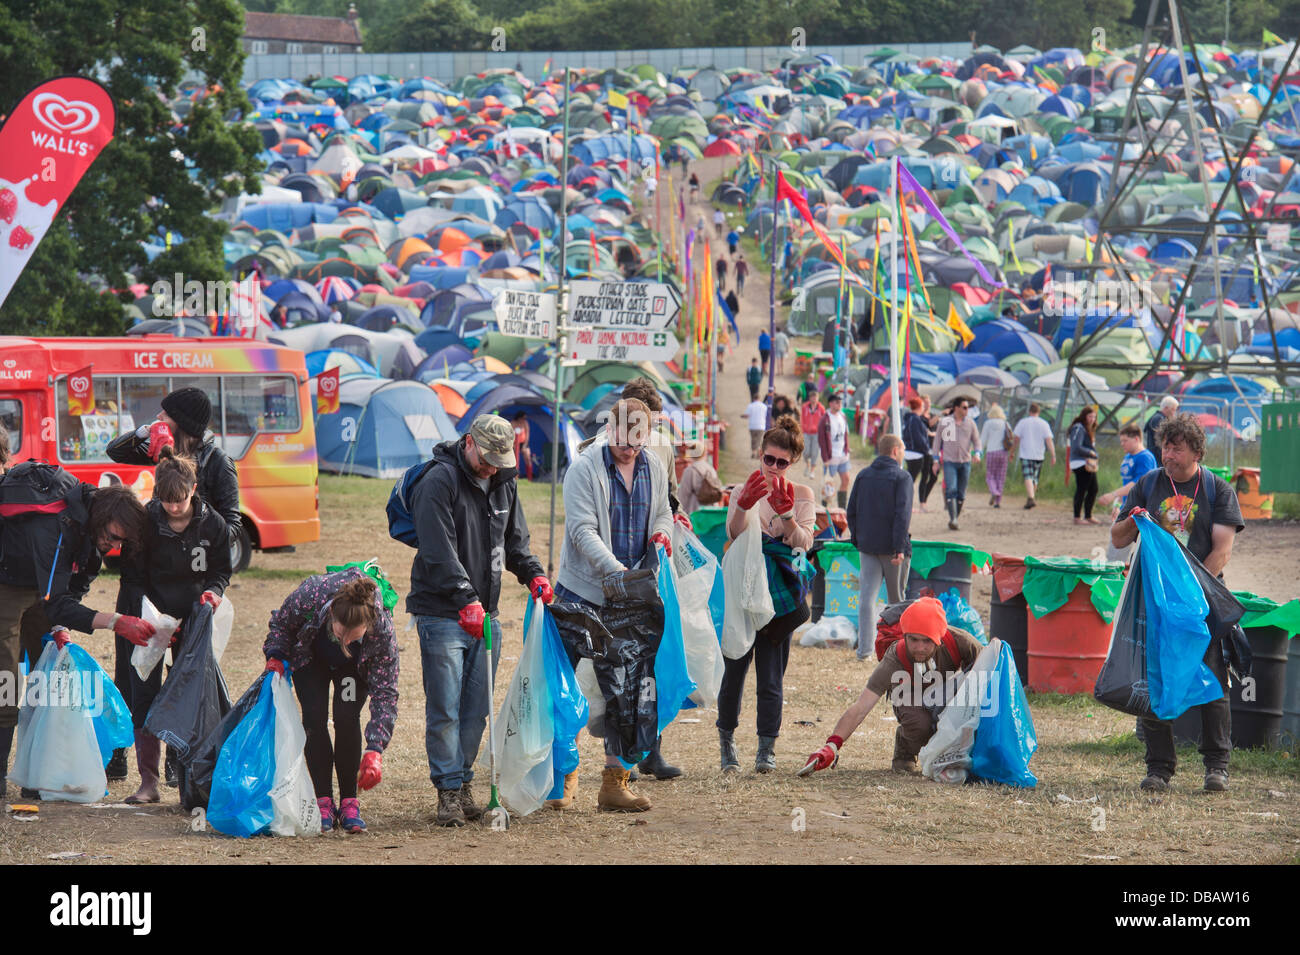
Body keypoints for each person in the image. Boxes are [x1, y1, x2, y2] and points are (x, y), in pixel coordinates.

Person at [407, 414, 551, 827]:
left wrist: (534, 573)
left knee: (475, 710)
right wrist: (464, 597)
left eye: (499, 459)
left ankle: (464, 781)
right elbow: (437, 550)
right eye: (486, 457)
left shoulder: (504, 478)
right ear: (468, 442)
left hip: (486, 615)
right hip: (442, 614)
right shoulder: (439, 481)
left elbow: (514, 540)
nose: (491, 466)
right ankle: (448, 791)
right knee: (446, 709)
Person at [1111, 413, 1244, 793]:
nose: (1168, 453)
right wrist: (1135, 520)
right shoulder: (1148, 484)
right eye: (1165, 446)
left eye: (1177, 447)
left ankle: (1217, 766)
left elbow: (1222, 551)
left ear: (1196, 451)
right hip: (1154, 601)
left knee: (1214, 684)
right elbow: (1118, 538)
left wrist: (1193, 592)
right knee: (1155, 681)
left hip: (1202, 602)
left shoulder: (1217, 490)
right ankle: (1159, 769)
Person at [0, 466, 151, 798]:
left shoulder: (93, 529)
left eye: (120, 541)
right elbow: (55, 602)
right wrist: (116, 622)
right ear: (103, 516)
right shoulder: (55, 526)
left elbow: (73, 588)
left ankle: (36, 774)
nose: (113, 544)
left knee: (50, 676)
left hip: (43, 589)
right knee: (7, 678)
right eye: (113, 536)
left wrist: (60, 627)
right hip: (6, 582)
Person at [556, 398, 674, 811]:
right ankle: (561, 782)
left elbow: (663, 512)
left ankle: (613, 783)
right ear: (611, 429)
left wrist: (661, 535)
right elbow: (582, 531)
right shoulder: (585, 468)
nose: (631, 449)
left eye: (640, 442)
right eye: (626, 440)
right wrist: (617, 571)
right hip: (582, 592)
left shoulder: (653, 466)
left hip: (632, 595)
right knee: (568, 687)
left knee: (623, 691)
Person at [116, 449, 232, 804]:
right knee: (144, 693)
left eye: (180, 501)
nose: (174, 508)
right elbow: (131, 578)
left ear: (193, 489)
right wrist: (151, 620)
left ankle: (185, 778)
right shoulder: (144, 523)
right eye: (167, 502)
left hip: (195, 620)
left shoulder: (214, 525)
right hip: (151, 620)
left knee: (189, 696)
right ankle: (147, 781)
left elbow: (221, 572)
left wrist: (213, 593)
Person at [264, 569, 399, 832]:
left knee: (346, 718)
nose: (346, 642)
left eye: (354, 637)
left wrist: (376, 748)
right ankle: (323, 801)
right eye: (340, 635)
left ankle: (350, 803)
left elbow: (385, 690)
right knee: (314, 717)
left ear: (369, 626)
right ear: (331, 615)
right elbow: (281, 623)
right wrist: (276, 653)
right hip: (312, 659)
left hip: (352, 670)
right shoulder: (311, 594)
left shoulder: (382, 630)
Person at [718, 416, 816, 773]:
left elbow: (805, 543)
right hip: (744, 586)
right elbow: (734, 532)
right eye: (769, 459)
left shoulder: (802, 494)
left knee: (771, 674)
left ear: (793, 463)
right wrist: (744, 504)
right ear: (760, 455)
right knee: (734, 670)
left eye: (782, 462)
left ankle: (766, 749)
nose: (774, 467)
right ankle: (727, 744)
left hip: (779, 593)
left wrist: (788, 515)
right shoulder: (746, 489)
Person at [798, 596, 984, 777]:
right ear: (905, 636)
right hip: (911, 696)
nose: (919, 648)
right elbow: (861, 707)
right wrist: (831, 745)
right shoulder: (896, 656)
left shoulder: (959, 641)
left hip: (948, 693)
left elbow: (990, 669)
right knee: (919, 726)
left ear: (939, 638)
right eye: (913, 639)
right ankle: (905, 747)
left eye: (927, 641)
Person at [846, 435, 912, 662]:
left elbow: (851, 510)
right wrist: (899, 547)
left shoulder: (863, 475)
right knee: (897, 600)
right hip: (893, 550)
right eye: (902, 449)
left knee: (866, 599)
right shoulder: (902, 477)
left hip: (868, 545)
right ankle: (897, 648)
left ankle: (864, 651)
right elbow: (902, 515)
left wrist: (857, 539)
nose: (903, 453)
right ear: (895, 451)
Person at [1099, 423, 1158, 562]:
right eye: (1121, 441)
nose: (1122, 444)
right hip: (1127, 508)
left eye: (1125, 440)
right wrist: (1118, 503)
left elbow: (1137, 484)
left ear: (1137, 439)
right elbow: (1127, 484)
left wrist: (1112, 494)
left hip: (1139, 511)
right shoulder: (1128, 457)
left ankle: (1114, 578)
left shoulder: (1145, 457)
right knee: (1116, 551)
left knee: (1118, 553)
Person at [932, 398, 981, 530]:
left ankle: (955, 518)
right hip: (949, 461)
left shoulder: (970, 423)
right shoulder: (945, 423)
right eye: (964, 407)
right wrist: (935, 461)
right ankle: (953, 519)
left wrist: (977, 454)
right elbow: (937, 442)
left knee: (961, 492)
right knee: (951, 489)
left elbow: (977, 441)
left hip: (965, 462)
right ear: (956, 408)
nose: (967, 410)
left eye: (967, 408)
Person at [1012, 402, 1056, 510]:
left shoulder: (1023, 422)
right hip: (1039, 454)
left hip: (1026, 453)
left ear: (1029, 411)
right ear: (1039, 412)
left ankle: (1031, 498)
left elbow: (1016, 438)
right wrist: (1053, 454)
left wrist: (1012, 451)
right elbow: (1049, 440)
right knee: (1035, 478)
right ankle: (1031, 497)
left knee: (1028, 476)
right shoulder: (1044, 423)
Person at [818, 392, 852, 509]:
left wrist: (847, 447)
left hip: (843, 454)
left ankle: (842, 508)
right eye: (837, 402)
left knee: (846, 479)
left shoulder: (842, 416)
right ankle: (824, 507)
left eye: (840, 402)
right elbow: (822, 440)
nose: (839, 405)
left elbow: (846, 433)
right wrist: (825, 458)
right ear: (831, 404)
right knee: (828, 483)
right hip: (831, 456)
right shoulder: (825, 419)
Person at [902, 396, 937, 512]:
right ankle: (907, 504)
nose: (924, 408)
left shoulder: (911, 419)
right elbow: (918, 438)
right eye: (922, 406)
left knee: (911, 479)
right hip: (916, 453)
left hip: (913, 452)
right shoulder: (915, 420)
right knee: (910, 480)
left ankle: (909, 503)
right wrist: (926, 449)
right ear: (919, 407)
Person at [1067, 406, 1101, 525]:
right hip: (1080, 462)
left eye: (1094, 417)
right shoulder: (1079, 428)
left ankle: (1088, 515)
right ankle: (1077, 517)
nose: (1092, 419)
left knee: (1093, 489)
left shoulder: (1087, 429)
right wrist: (1090, 452)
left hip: (1088, 463)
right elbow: (1077, 447)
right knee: (1082, 489)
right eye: (1090, 416)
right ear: (1084, 416)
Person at [979, 403, 1012, 508]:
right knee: (1000, 477)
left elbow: (983, 440)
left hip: (991, 452)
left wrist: (978, 452)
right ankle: (998, 501)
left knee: (990, 475)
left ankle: (994, 491)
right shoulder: (1005, 423)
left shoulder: (988, 423)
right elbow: (1011, 436)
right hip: (1003, 452)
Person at [677, 439, 720, 515]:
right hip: (712, 510)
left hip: (695, 511)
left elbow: (683, 495)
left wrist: (680, 512)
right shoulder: (710, 469)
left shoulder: (690, 470)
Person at [1145, 396, 1178, 469]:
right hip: (1156, 457)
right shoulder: (1158, 419)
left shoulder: (1158, 418)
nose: (1174, 413)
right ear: (1166, 408)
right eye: (1173, 410)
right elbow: (1160, 441)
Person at [799, 388, 825, 476]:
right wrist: (801, 429)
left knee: (815, 452)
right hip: (806, 432)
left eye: (816, 397)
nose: (814, 398)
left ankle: (812, 471)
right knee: (805, 452)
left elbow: (824, 421)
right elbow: (801, 418)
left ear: (818, 398)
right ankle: (807, 464)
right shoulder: (805, 407)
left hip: (817, 433)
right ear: (809, 398)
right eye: (812, 397)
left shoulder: (821, 408)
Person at [745, 393, 769, 458]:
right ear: (759, 398)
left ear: (753, 398)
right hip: (761, 425)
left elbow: (747, 415)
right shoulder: (764, 406)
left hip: (752, 426)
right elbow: (767, 415)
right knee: (759, 440)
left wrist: (742, 416)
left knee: (753, 439)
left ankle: (753, 452)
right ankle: (758, 453)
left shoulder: (750, 405)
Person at [511, 410, 533, 480]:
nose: (523, 420)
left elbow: (527, 435)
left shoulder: (525, 423)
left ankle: (530, 477)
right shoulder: (513, 423)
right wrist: (512, 445)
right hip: (514, 443)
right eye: (523, 418)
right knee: (513, 459)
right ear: (519, 418)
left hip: (523, 443)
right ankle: (513, 476)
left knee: (527, 457)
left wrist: (524, 446)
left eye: (525, 418)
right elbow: (509, 435)